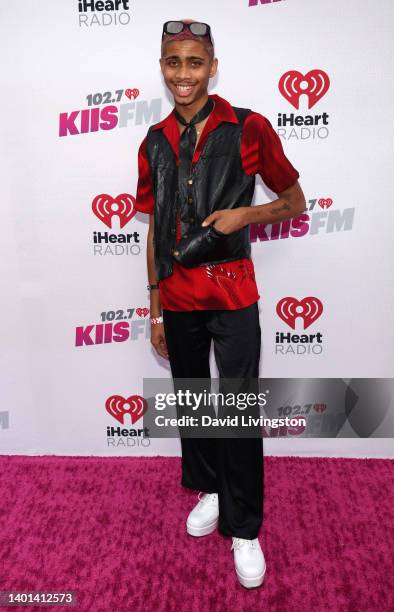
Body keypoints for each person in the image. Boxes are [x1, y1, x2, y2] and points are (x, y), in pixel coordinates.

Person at [134, 18, 306, 589]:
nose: (183, 74)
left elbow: (294, 201)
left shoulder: (249, 127)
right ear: (162, 67)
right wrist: (155, 306)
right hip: (178, 298)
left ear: (212, 66)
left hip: (233, 293)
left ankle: (245, 526)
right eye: (173, 62)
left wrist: (244, 216)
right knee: (192, 402)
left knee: (234, 412)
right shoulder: (154, 140)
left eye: (194, 62)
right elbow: (157, 226)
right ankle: (208, 490)